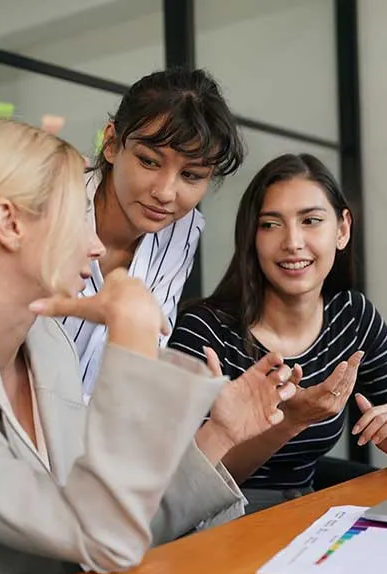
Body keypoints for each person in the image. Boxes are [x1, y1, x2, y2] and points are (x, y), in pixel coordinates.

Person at [0, 118, 296, 574]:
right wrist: (131, 339)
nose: (96, 247)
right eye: (78, 217)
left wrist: (219, 434)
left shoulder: (48, 345)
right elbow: (102, 535)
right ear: (9, 223)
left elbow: (104, 522)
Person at [168, 153, 387, 514]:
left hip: (304, 515)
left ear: (342, 229)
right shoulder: (205, 331)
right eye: (270, 225)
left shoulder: (352, 317)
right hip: (215, 523)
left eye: (311, 221)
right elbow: (184, 486)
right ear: (251, 238)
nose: (293, 242)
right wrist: (291, 421)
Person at [52, 66, 244, 397]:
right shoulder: (50, 205)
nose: (166, 192)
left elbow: (147, 355)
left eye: (192, 176)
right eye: (150, 162)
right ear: (111, 143)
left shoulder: (183, 231)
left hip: (103, 433)